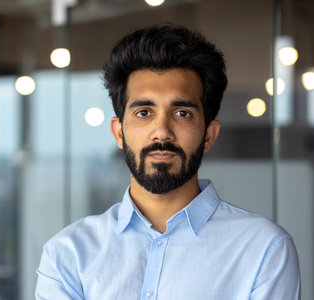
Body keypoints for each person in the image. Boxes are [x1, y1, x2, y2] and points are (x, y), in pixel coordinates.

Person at [35, 23, 301, 300]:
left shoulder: (264, 250)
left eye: (182, 113)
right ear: (118, 132)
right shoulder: (67, 254)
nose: (162, 131)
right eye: (144, 112)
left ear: (209, 135)